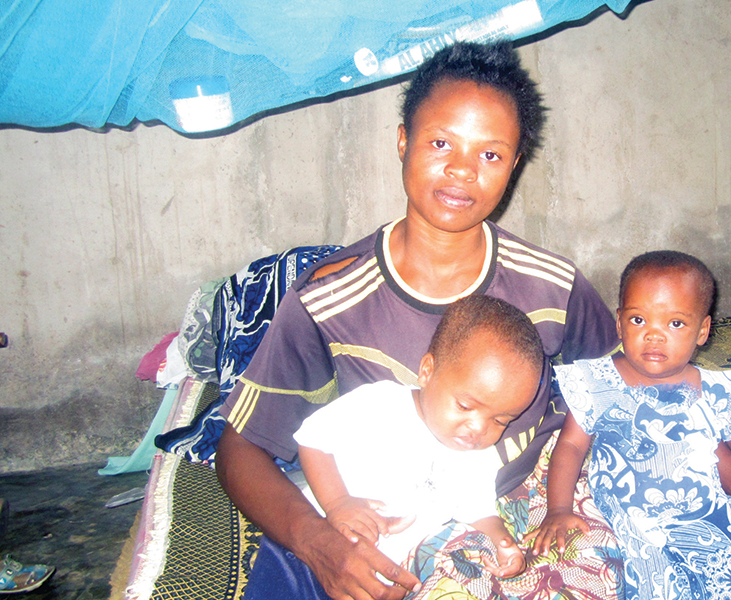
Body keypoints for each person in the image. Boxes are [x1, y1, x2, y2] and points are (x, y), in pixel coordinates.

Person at [216, 41, 625, 600]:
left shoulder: (553, 285)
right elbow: (241, 450)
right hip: (390, 510)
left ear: (514, 166)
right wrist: (318, 539)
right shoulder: (329, 300)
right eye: (440, 143)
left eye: (490, 155)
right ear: (403, 141)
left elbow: (626, 388)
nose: (462, 171)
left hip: (523, 499)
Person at [528, 251, 731, 599]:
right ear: (618, 322)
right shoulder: (598, 382)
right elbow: (571, 446)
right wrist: (559, 509)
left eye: (675, 324)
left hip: (709, 511)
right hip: (638, 522)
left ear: (702, 331)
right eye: (639, 320)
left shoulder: (717, 392)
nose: (654, 336)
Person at [294, 296, 542, 596]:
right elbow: (313, 439)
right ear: (427, 371)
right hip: (316, 549)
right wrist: (337, 504)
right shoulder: (381, 403)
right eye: (465, 406)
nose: (479, 429)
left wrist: (503, 543)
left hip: (385, 576)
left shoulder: (478, 457)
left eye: (501, 420)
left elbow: (478, 510)